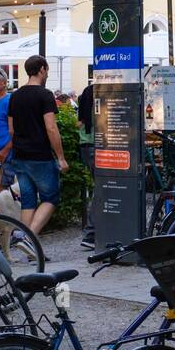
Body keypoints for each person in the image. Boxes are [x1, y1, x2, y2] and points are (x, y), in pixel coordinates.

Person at [7, 55, 68, 238]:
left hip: (19, 155)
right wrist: (61, 157)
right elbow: (51, 127)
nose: (47, 73)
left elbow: (11, 130)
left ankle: (24, 241)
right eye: (47, 70)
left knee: (28, 201)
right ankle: (30, 239)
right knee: (50, 198)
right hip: (40, 156)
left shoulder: (15, 96)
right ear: (42, 69)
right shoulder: (45, 95)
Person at [77, 80, 95, 249]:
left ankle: (92, 232)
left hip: (86, 145)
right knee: (102, 189)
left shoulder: (87, 91)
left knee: (99, 187)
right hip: (96, 145)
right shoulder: (99, 92)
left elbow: (80, 122)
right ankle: (91, 233)